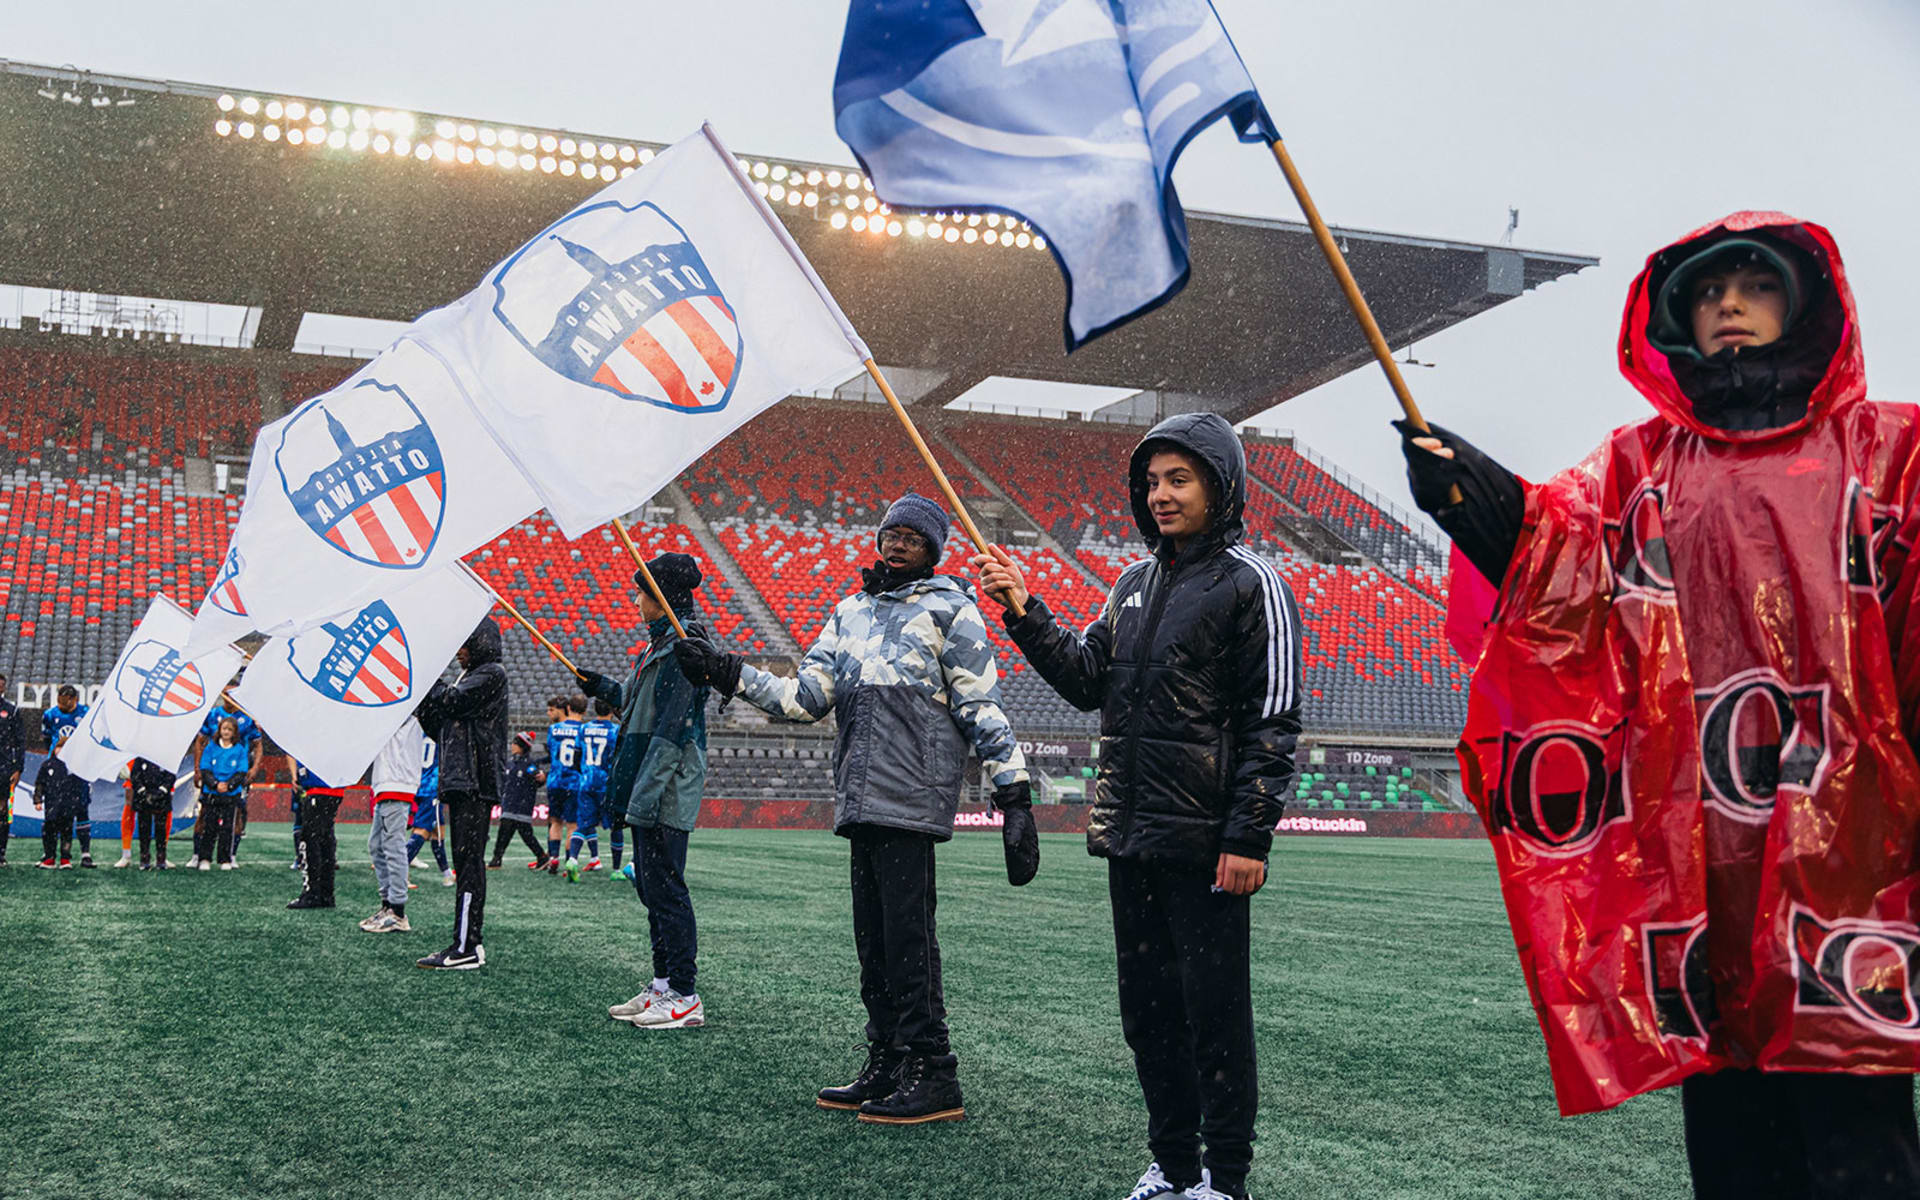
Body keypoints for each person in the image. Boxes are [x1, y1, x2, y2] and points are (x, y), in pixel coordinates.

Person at [1399, 214, 1920, 1198]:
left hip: (1853, 862)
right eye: (1706, 292)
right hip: (1700, 875)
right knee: (1733, 1149)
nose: (1727, 304)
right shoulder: (1639, 468)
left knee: (1861, 1145)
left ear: (1803, 302)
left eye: (1753, 285)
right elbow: (1554, 566)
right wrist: (1473, 498)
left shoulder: (1891, 454)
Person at [971, 412, 1301, 1200]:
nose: (1160, 494)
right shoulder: (1129, 584)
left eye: (1178, 478)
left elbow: (1273, 720)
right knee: (1148, 1017)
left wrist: (1249, 836)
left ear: (1221, 485)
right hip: (1131, 837)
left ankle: (1224, 1179)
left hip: (1208, 846)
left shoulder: (1254, 583)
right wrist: (1025, 611)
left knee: (1215, 1018)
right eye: (1151, 481)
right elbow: (1090, 681)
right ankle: (1174, 1167)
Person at [677, 492, 1034, 1123]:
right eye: (889, 532)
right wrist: (727, 671)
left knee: (909, 938)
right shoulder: (849, 612)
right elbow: (805, 698)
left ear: (933, 547)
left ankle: (934, 1070)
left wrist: (1014, 793)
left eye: (912, 537)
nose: (897, 543)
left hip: (913, 793)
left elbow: (982, 706)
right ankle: (889, 1059)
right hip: (862, 794)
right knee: (873, 941)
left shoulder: (954, 610)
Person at [579, 553, 712, 1029]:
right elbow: (638, 710)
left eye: (642, 593)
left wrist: (642, 799)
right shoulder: (657, 647)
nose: (636, 601)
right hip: (647, 787)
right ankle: (662, 986)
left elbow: (670, 733)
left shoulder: (683, 648)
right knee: (653, 891)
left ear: (662, 599)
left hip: (664, 791)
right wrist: (603, 688)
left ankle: (684, 993)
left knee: (667, 890)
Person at [414, 617, 510, 970]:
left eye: (463, 645)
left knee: (468, 865)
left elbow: (451, 702)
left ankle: (466, 945)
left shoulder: (491, 674)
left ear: (479, 643)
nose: (458, 653)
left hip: (474, 783)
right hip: (462, 781)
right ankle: (466, 941)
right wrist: (424, 703)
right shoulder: (472, 676)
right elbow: (439, 724)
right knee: (464, 864)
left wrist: (426, 680)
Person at [187, 690, 261, 869]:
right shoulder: (213, 715)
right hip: (212, 774)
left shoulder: (247, 717)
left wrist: (255, 767)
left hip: (237, 776)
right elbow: (200, 741)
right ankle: (198, 854)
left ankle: (230, 855)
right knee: (205, 815)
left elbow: (258, 744)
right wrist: (197, 769)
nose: (230, 696)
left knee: (236, 816)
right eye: (226, 692)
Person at [363, 717, 424, 934]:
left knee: (392, 846)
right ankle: (388, 905)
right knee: (377, 846)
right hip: (386, 781)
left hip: (397, 781)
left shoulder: (407, 709)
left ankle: (397, 911)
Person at [566, 694, 618, 876]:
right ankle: (617, 869)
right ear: (613, 710)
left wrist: (583, 772)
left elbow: (576, 755)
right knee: (615, 826)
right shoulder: (615, 730)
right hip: (606, 785)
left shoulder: (585, 728)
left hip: (586, 782)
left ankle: (572, 859)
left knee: (584, 823)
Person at [195, 717, 249, 871]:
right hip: (212, 793)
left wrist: (229, 785)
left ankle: (224, 859)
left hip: (231, 795)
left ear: (234, 733)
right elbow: (205, 768)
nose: (226, 732)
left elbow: (241, 771)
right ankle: (204, 858)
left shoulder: (239, 750)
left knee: (227, 828)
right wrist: (215, 784)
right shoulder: (211, 748)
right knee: (209, 826)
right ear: (219, 730)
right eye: (224, 729)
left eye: (229, 730)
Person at [490, 733, 548, 869]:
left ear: (522, 747)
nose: (512, 746)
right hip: (509, 803)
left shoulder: (530, 764)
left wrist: (541, 778)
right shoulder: (510, 763)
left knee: (518, 833)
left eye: (515, 744)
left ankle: (541, 857)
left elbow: (537, 780)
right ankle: (497, 859)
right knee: (508, 832)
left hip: (522, 804)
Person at [36, 729, 93, 869]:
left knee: (67, 832)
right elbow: (39, 783)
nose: (61, 751)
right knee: (49, 831)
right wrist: (37, 800)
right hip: (51, 806)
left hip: (68, 806)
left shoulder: (74, 767)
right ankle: (49, 858)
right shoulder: (47, 765)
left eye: (65, 748)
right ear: (54, 749)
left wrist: (77, 801)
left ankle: (65, 859)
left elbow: (79, 786)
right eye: (59, 747)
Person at [404, 734, 454, 888]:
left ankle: (447, 875)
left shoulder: (420, 733)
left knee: (437, 833)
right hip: (432, 788)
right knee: (423, 830)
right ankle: (398, 871)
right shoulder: (441, 734)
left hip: (420, 784)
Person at [542, 694, 583, 876]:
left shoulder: (554, 729)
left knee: (555, 822)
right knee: (572, 825)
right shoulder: (582, 729)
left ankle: (553, 858)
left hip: (555, 781)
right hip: (573, 782)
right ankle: (569, 861)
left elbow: (552, 752)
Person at [127, 756, 175, 870]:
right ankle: (144, 858)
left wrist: (162, 790)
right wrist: (142, 791)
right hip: (143, 799)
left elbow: (171, 775)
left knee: (161, 829)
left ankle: (161, 858)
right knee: (144, 829)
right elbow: (135, 776)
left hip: (162, 798)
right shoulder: (141, 757)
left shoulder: (167, 756)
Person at [0, 673, 24, 868]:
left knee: (3, 811)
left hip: (4, 768)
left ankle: (1, 854)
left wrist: (18, 768)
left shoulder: (11, 710)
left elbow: (20, 742)